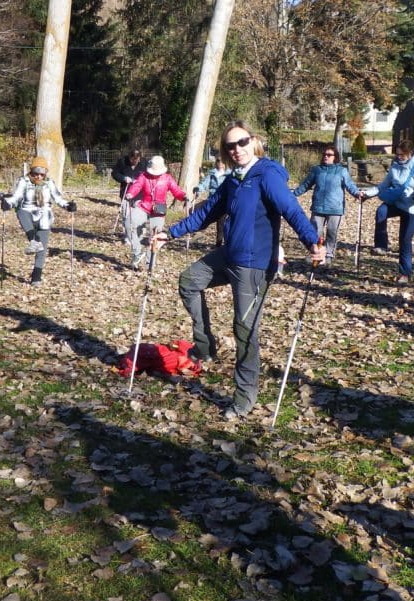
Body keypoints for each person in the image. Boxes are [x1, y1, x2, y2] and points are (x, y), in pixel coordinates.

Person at [152, 121, 325, 420]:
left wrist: (312, 241)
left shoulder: (266, 175)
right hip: (227, 256)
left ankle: (244, 398)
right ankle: (206, 346)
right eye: (230, 146)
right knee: (189, 281)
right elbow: (206, 213)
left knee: (244, 331)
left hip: (254, 266)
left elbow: (291, 210)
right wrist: (171, 233)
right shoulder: (233, 180)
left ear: (253, 141)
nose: (237, 149)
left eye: (242, 142)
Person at [366, 140, 414, 284]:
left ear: (410, 153)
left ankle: (405, 273)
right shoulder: (395, 166)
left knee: (404, 240)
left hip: (412, 207)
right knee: (381, 211)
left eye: (401, 155)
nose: (398, 157)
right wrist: (366, 193)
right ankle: (381, 246)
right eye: (397, 154)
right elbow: (383, 186)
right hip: (397, 203)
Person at [1, 156, 75, 286]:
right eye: (36, 173)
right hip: (27, 211)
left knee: (42, 248)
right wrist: (7, 204)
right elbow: (17, 196)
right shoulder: (23, 181)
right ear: (31, 172)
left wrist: (68, 205)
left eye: (42, 174)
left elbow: (58, 198)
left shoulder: (49, 183)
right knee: (21, 212)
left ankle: (36, 276)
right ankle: (33, 241)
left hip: (44, 214)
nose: (38, 177)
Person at [292, 145, 365, 266]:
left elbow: (350, 185)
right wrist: (292, 195)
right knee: (315, 232)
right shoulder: (317, 170)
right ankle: (316, 254)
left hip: (335, 208)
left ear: (335, 157)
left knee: (331, 232)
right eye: (324, 154)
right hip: (318, 207)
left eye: (329, 155)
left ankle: (329, 255)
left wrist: (357, 193)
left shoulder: (342, 171)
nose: (326, 156)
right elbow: (305, 185)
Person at [124, 156, 187, 269]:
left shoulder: (167, 178)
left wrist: (183, 196)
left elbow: (176, 190)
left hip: (159, 209)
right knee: (129, 224)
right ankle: (137, 253)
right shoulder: (143, 176)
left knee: (155, 237)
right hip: (144, 206)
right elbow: (136, 185)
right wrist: (130, 194)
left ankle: (150, 264)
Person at [194, 158, 230, 245]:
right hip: (212, 201)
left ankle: (220, 243)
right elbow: (204, 184)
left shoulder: (229, 174)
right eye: (218, 161)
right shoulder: (212, 173)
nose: (220, 163)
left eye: (222, 161)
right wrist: (198, 189)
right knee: (198, 212)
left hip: (223, 202)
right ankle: (196, 232)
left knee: (221, 224)